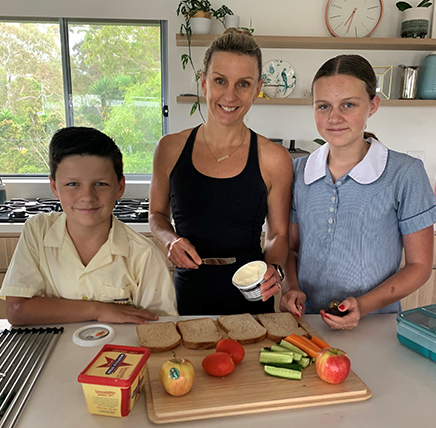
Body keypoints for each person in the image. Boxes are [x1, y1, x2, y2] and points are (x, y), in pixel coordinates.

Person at [280, 54, 436, 330]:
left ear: (373, 105)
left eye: (348, 105)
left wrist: (363, 305)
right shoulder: (299, 171)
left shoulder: (405, 173)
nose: (334, 117)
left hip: (374, 326)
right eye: (323, 106)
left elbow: (419, 266)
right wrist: (290, 287)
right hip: (306, 323)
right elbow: (291, 249)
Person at [150, 28, 293, 315]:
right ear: (203, 82)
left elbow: (278, 233)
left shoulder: (274, 158)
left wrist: (275, 268)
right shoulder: (170, 148)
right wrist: (170, 240)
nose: (230, 95)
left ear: (257, 88)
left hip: (252, 295)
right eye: (220, 81)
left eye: (243, 84)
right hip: (189, 291)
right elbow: (157, 215)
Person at [0, 126, 177, 325]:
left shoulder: (144, 256)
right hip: (53, 353)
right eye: (72, 184)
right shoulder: (38, 231)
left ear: (119, 187)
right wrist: (98, 310)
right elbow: (16, 310)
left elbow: (159, 330)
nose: (87, 197)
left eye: (100, 184)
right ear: (54, 187)